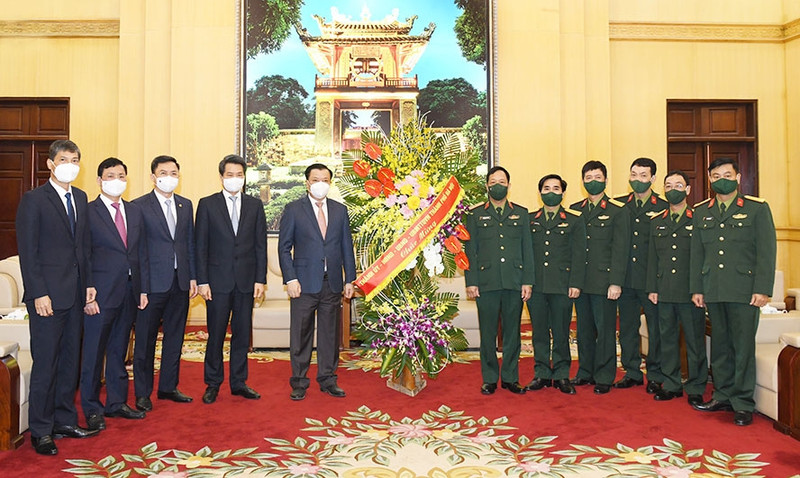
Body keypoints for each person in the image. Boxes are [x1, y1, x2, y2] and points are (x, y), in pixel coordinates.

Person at [15, 140, 99, 455]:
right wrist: (38, 293)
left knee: (69, 363)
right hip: (47, 298)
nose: (70, 164)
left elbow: (83, 248)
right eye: (63, 159)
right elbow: (29, 253)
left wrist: (89, 285)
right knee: (46, 364)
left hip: (75, 295)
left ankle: (64, 420)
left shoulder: (80, 196)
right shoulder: (34, 200)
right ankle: (41, 429)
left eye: (75, 159)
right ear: (51, 164)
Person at [690, 157, 776, 426]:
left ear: (738, 178)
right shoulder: (702, 211)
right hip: (713, 288)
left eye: (727, 174)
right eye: (715, 176)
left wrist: (762, 289)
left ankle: (742, 402)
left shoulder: (756, 209)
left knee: (742, 347)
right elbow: (697, 254)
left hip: (744, 291)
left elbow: (766, 252)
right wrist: (697, 288)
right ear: (710, 180)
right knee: (720, 346)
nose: (721, 179)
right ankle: (722, 394)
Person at [278, 163, 356, 401]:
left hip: (331, 282)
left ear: (329, 183)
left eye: (325, 179)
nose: (320, 183)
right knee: (300, 334)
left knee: (329, 335)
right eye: (316, 179)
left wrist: (349, 279)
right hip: (302, 283)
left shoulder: (340, 210)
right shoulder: (293, 209)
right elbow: (284, 248)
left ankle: (328, 379)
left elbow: (346, 247)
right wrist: (290, 278)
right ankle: (299, 381)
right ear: (307, 183)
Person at [81, 157, 149, 429]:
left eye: (121, 176)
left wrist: (143, 289)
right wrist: (88, 293)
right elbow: (83, 254)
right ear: (99, 180)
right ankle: (91, 407)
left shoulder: (134, 211)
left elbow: (140, 253)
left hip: (129, 292)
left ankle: (117, 402)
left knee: (120, 350)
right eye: (110, 176)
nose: (116, 180)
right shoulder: (88, 212)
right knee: (94, 354)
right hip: (98, 295)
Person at [195, 154, 267, 404]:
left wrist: (260, 279)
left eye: (239, 175)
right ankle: (213, 383)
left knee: (241, 333)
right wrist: (202, 280)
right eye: (230, 175)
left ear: (244, 177)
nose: (235, 179)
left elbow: (260, 246)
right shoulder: (207, 204)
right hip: (217, 282)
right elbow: (200, 246)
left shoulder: (255, 205)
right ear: (221, 177)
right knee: (215, 334)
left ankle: (239, 382)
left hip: (246, 281)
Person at [132, 155, 197, 411]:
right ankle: (142, 392)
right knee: (145, 341)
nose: (169, 177)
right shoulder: (139, 206)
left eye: (173, 173)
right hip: (151, 286)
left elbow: (189, 244)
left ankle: (169, 386)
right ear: (152, 176)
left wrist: (192, 276)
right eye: (163, 172)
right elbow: (138, 252)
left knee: (175, 338)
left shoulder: (185, 205)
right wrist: (142, 287)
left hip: (179, 283)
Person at [464, 166, 534, 395]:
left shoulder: (521, 213)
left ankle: (511, 377)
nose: (497, 185)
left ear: (509, 186)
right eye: (493, 182)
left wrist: (528, 281)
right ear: (487, 186)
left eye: (502, 182)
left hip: (514, 282)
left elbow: (528, 250)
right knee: (488, 332)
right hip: (486, 282)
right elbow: (470, 251)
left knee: (513, 332)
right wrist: (471, 281)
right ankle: (490, 378)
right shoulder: (474, 215)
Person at [646, 170, 708, 405]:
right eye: (669, 185)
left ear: (688, 190)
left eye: (678, 185)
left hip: (691, 292)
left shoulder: (699, 218)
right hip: (664, 289)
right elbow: (653, 258)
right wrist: (652, 287)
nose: (673, 189)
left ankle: (695, 386)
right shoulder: (657, 221)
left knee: (694, 341)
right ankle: (671, 383)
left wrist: (699, 289)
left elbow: (703, 257)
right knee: (667, 339)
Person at [569, 160, 630, 394]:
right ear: (582, 181)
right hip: (581, 282)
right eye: (588, 178)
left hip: (604, 282)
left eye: (597, 177)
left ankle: (604, 375)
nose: (592, 182)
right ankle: (585, 371)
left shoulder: (617, 210)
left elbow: (620, 249)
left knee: (605, 330)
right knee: (583, 329)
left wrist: (616, 282)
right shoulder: (575, 209)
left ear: (605, 180)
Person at [526, 174, 586, 395]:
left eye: (556, 188)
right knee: (539, 332)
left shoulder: (574, 220)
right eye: (546, 188)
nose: (551, 192)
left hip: (563, 285)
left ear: (563, 192)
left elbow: (579, 255)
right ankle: (541, 373)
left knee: (561, 331)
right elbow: (527, 254)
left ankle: (561, 374)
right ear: (540, 192)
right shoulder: (530, 219)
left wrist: (576, 283)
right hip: (537, 287)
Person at [614, 157, 668, 393]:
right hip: (626, 279)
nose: (637, 180)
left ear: (653, 179)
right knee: (627, 327)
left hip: (651, 281)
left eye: (643, 175)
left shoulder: (663, 207)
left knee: (655, 328)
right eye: (633, 175)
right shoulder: (619, 206)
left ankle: (655, 374)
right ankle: (632, 371)